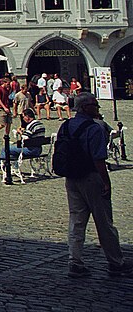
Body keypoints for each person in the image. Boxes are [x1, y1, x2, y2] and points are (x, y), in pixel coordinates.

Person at [62, 93, 133, 278]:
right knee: (104, 221)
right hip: (91, 177)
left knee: (76, 221)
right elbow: (98, 158)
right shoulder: (94, 128)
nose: (97, 108)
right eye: (95, 105)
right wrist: (106, 182)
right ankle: (116, 262)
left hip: (71, 177)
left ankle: (75, 261)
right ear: (85, 107)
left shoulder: (66, 125)